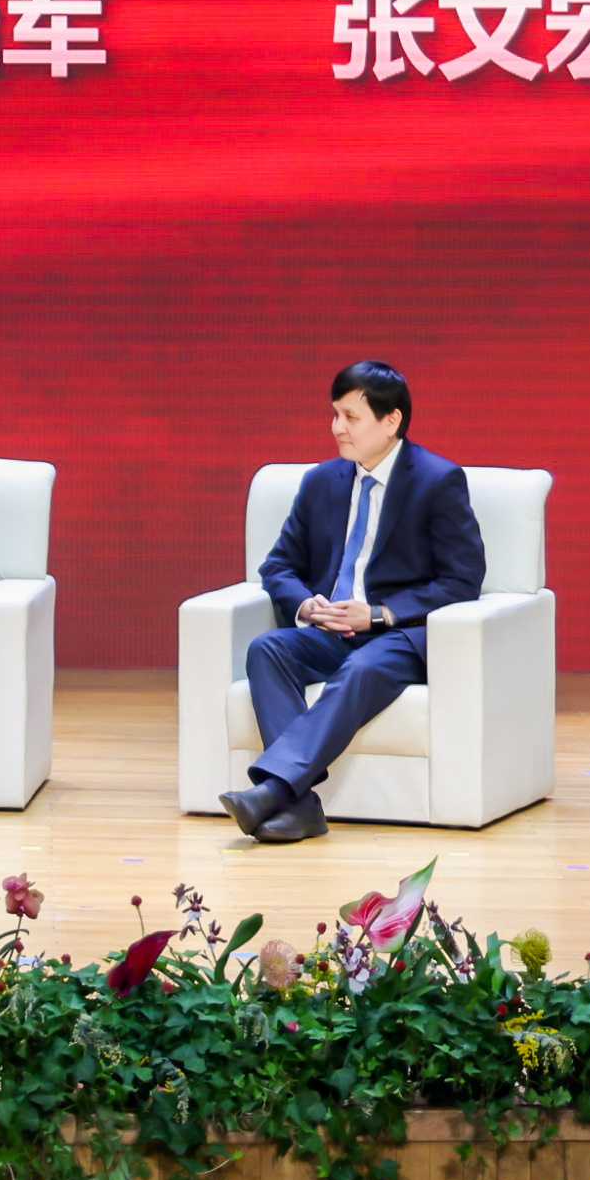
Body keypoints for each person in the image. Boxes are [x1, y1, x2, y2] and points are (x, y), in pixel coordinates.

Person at [217, 359, 490, 844]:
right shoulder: (321, 482)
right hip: (330, 629)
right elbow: (277, 567)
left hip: (399, 636)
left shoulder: (437, 481)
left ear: (391, 421)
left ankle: (274, 789)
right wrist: (307, 606)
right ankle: (300, 806)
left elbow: (462, 580)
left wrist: (380, 614)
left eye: (350, 417)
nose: (336, 427)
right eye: (335, 414)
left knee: (361, 668)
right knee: (268, 649)